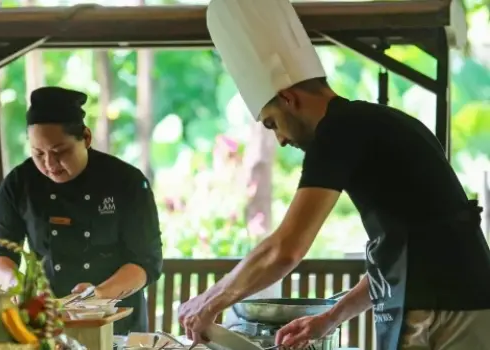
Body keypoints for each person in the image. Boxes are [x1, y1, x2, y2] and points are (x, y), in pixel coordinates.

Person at [177, 1, 490, 349]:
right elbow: (400, 262)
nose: (280, 139)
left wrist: (210, 300)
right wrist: (329, 318)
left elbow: (285, 249)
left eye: (272, 123)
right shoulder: (373, 125)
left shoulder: (338, 131)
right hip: (446, 305)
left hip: (450, 312)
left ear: (287, 97)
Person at [0, 86, 163, 335]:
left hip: (117, 326)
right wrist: (15, 284)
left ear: (86, 137)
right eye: (38, 154)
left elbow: (146, 261)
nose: (50, 165)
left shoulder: (125, 181)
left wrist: (97, 295)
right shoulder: (20, 183)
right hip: (46, 324)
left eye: (60, 151)